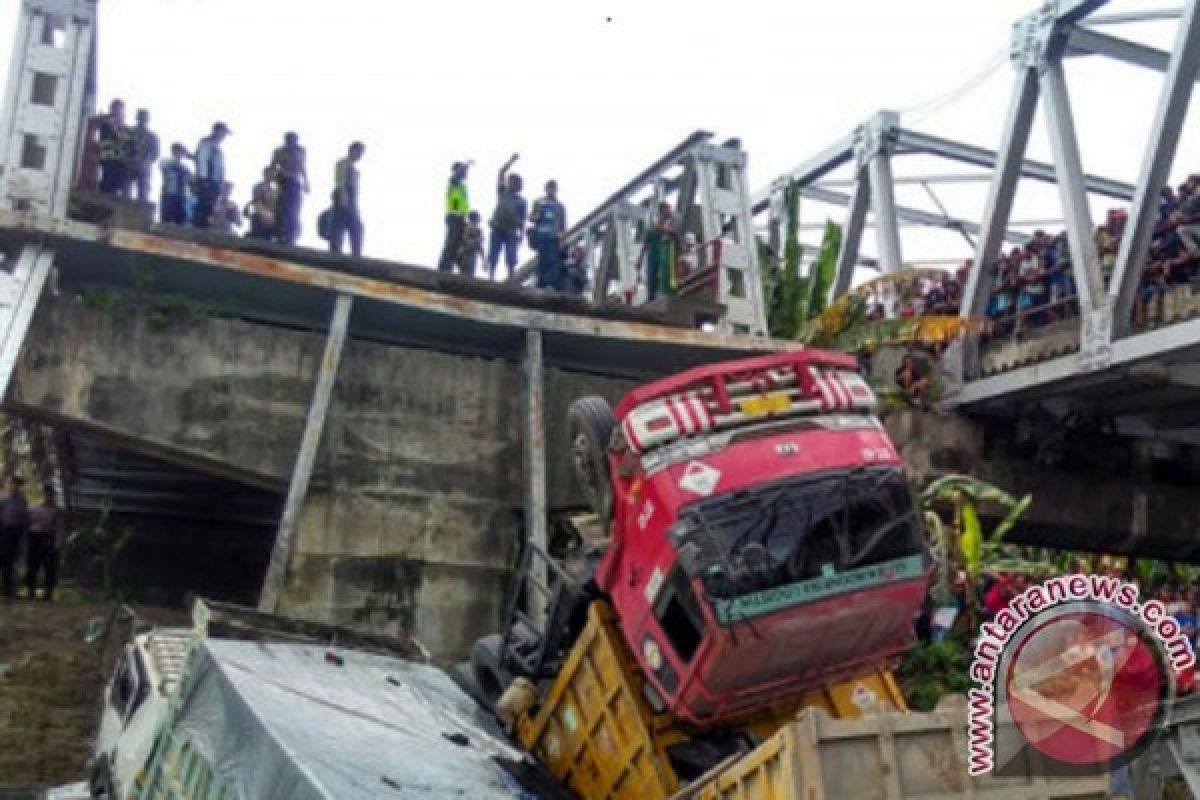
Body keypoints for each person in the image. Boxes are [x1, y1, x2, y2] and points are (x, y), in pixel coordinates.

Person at [487, 154, 527, 280]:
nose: (511, 183)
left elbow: (523, 219)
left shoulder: (522, 201)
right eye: (510, 181)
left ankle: (511, 278)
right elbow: (501, 172)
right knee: (493, 253)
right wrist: (511, 160)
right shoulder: (502, 192)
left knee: (511, 256)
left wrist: (522, 234)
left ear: (518, 185)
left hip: (511, 229)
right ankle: (491, 277)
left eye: (514, 182)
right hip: (497, 226)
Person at [25, 484, 66, 602]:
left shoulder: (57, 511)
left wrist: (57, 544)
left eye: (50, 494)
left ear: (53, 495)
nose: (47, 496)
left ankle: (48, 593)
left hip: (48, 539)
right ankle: (31, 590)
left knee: (49, 568)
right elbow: (27, 524)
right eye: (46, 494)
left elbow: (60, 528)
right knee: (32, 566)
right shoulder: (34, 508)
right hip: (34, 538)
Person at [270, 132, 310, 246]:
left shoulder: (300, 151)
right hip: (282, 181)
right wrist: (272, 181)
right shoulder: (279, 151)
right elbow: (273, 166)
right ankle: (279, 235)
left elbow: (302, 167)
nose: (291, 142)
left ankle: (290, 236)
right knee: (281, 209)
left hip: (295, 183)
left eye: (293, 140)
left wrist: (306, 181)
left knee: (293, 210)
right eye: (289, 140)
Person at [637, 203, 679, 302]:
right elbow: (645, 244)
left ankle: (662, 296)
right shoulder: (652, 227)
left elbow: (675, 236)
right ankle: (651, 299)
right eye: (668, 209)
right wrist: (640, 259)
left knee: (664, 277)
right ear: (662, 211)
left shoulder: (668, 227)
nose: (670, 212)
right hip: (653, 256)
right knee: (652, 277)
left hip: (664, 256)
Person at [530, 180, 567, 290]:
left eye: (554, 188)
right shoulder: (538, 202)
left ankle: (550, 284)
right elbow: (531, 217)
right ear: (545, 189)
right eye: (549, 188)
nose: (551, 190)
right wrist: (537, 217)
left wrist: (561, 240)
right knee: (542, 260)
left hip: (553, 237)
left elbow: (562, 225)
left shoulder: (560, 206)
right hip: (540, 235)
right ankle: (540, 284)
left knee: (552, 261)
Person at [193, 122, 231, 228]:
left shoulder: (216, 147)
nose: (224, 136)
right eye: (223, 133)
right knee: (203, 205)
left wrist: (221, 182)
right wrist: (203, 179)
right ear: (217, 131)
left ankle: (204, 227)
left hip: (214, 182)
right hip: (207, 180)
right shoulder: (206, 143)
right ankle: (198, 228)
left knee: (209, 207)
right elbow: (202, 160)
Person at [332, 141, 366, 257]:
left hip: (352, 200)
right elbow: (340, 180)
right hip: (344, 197)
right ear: (352, 150)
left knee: (354, 227)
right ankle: (336, 253)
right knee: (341, 226)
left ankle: (355, 254)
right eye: (359, 152)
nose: (360, 155)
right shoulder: (343, 163)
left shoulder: (355, 170)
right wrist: (343, 197)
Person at [438, 162, 470, 271]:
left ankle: (450, 268)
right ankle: (444, 268)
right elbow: (457, 174)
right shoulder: (454, 182)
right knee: (451, 242)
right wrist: (467, 164)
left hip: (460, 218)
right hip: (454, 216)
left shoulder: (462, 186)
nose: (466, 173)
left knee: (457, 245)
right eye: (465, 171)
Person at [0, 476, 28, 600]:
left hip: (15, 533)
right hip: (3, 532)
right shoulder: (3, 501)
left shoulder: (22, 501)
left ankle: (8, 591)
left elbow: (24, 519)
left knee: (10, 563)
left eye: (16, 485)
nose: (14, 487)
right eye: (11, 484)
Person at [95, 99, 129, 196]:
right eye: (116, 108)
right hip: (106, 152)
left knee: (118, 177)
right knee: (107, 174)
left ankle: (111, 193)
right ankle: (104, 193)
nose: (117, 111)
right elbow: (96, 124)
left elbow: (124, 139)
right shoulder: (105, 119)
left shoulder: (123, 126)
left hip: (118, 155)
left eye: (120, 109)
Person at [126, 109, 160, 203]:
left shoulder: (152, 136)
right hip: (129, 165)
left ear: (148, 120)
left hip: (144, 167)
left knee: (143, 192)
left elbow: (155, 153)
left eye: (144, 118)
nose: (142, 120)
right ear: (136, 118)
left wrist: (145, 158)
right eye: (140, 117)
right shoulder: (129, 132)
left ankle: (141, 211)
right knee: (125, 190)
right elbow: (124, 147)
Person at [158, 143, 192, 226]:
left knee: (180, 220)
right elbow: (163, 166)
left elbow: (190, 179)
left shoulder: (185, 168)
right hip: (168, 194)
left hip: (181, 195)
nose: (181, 154)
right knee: (166, 218)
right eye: (180, 151)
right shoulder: (165, 161)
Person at [247, 166, 280, 241]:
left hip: (271, 220)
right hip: (260, 218)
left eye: (275, 173)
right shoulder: (259, 186)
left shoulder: (275, 190)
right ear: (265, 174)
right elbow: (258, 203)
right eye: (271, 172)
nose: (274, 175)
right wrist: (267, 216)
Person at [458, 211, 485, 277]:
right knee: (466, 272)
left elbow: (480, 245)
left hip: (470, 252)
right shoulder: (469, 227)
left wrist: (483, 260)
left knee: (469, 272)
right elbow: (464, 239)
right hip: (466, 251)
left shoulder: (477, 230)